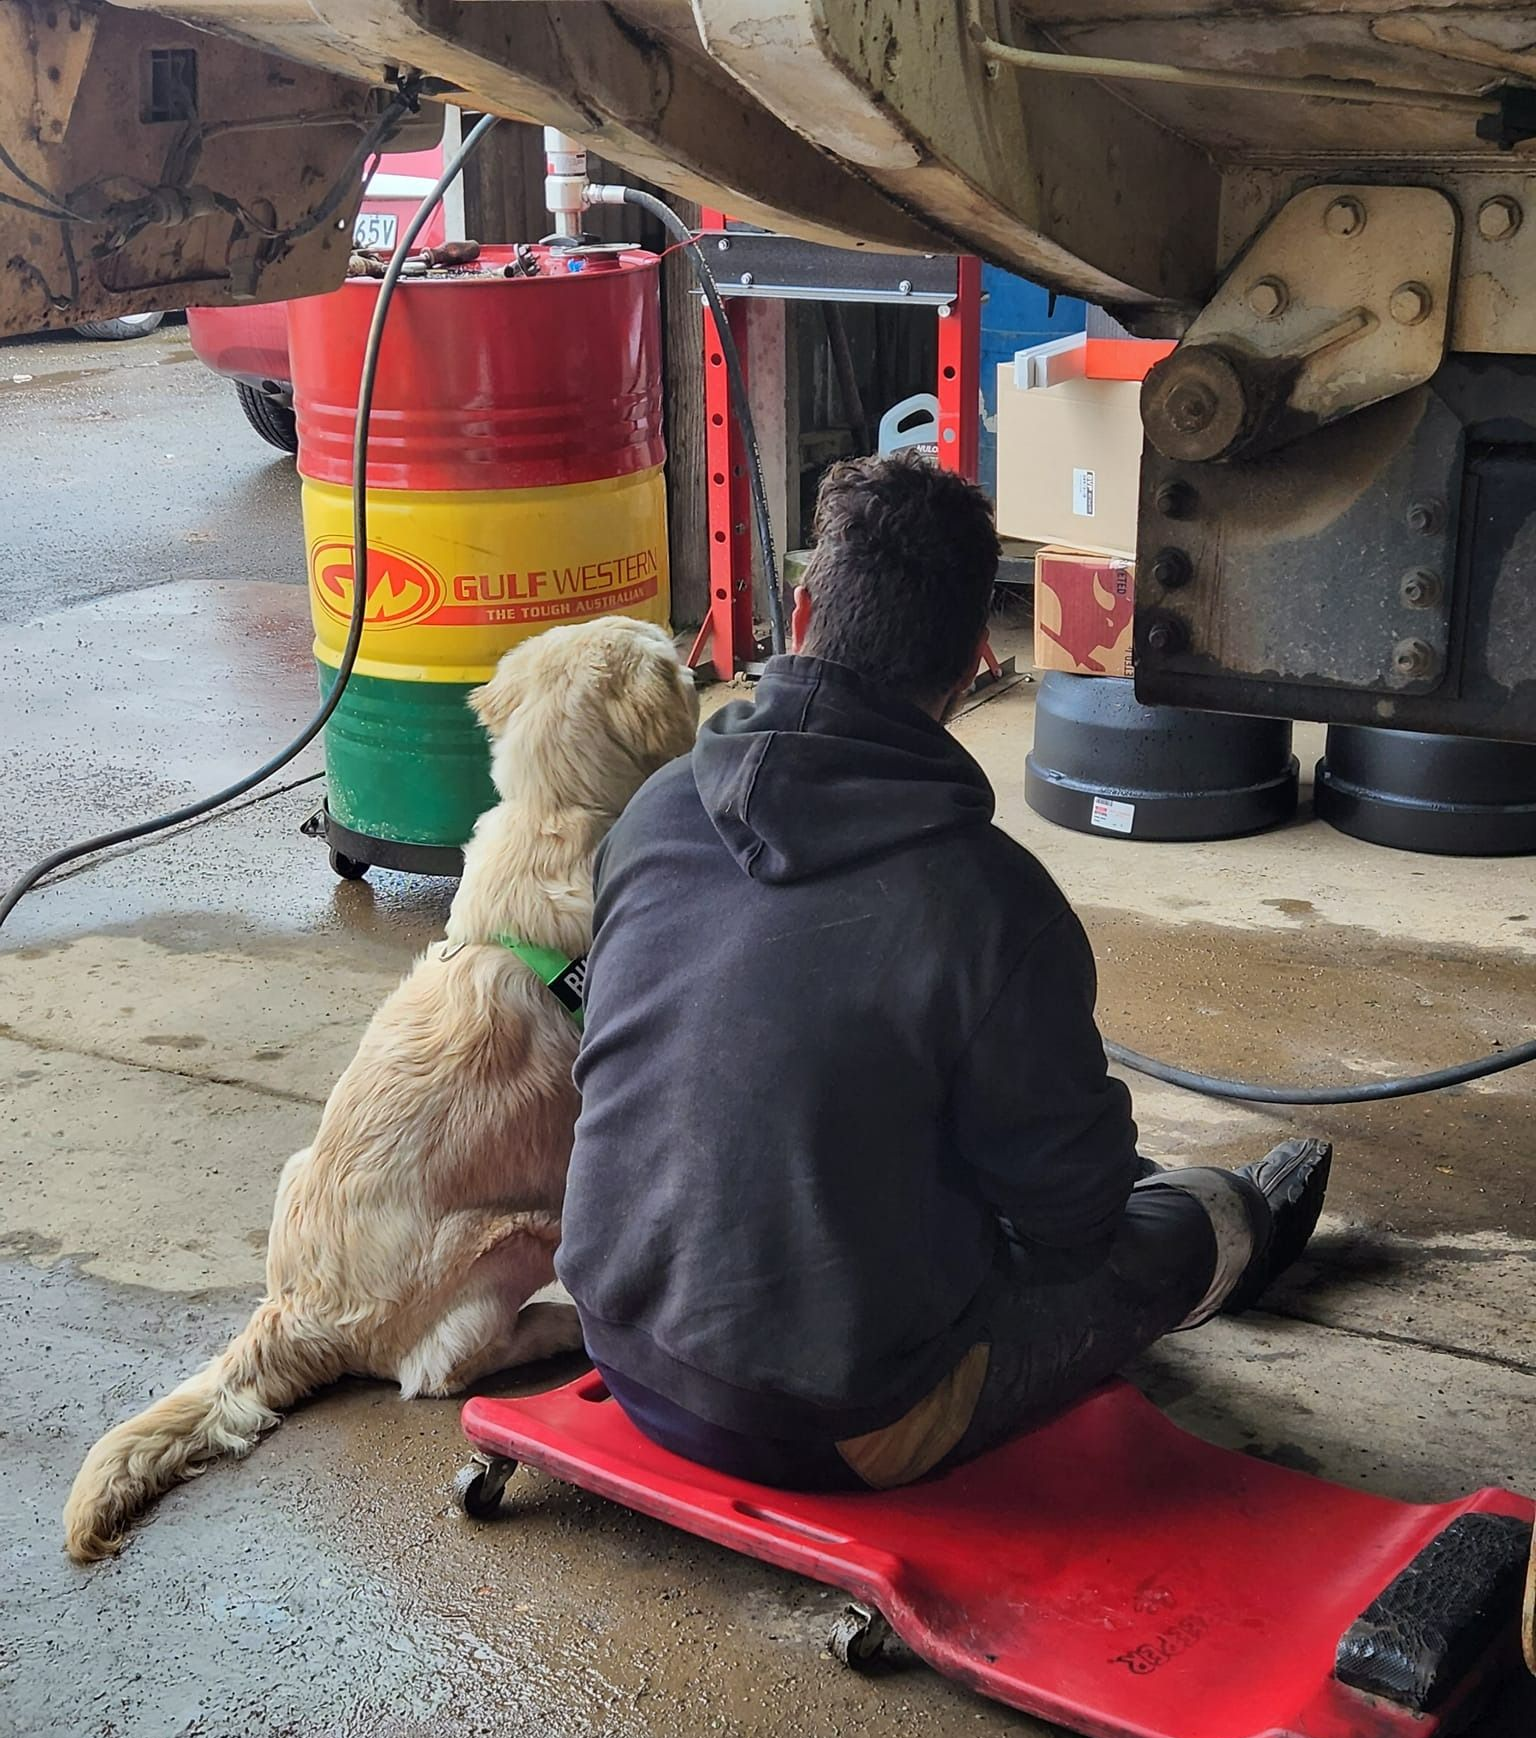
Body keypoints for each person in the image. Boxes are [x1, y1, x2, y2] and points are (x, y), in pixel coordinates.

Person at [555, 453, 1330, 1492]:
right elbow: (1072, 1234)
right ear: (973, 665)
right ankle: (1248, 1228)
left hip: (622, 1343)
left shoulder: (649, 815)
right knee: (1175, 1224)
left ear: (804, 610)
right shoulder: (994, 902)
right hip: (843, 1420)